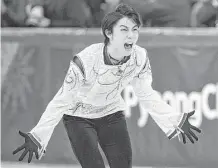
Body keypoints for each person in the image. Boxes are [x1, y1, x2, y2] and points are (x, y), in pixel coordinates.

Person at [12, 3, 201, 168]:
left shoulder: (139, 57)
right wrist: (39, 135)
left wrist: (174, 119)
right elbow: (61, 101)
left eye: (135, 30)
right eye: (124, 30)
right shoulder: (86, 60)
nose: (131, 36)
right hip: (79, 117)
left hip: (111, 114)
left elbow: (146, 94)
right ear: (109, 33)